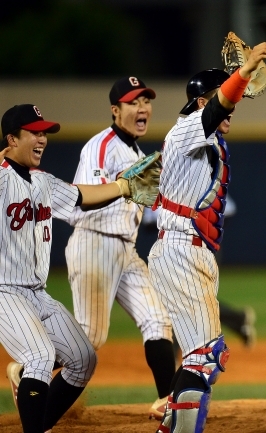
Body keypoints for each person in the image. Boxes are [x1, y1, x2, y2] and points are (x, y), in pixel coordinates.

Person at [0, 104, 146, 433]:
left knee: (83, 358)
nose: (42, 139)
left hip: (37, 294)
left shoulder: (42, 182)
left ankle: (42, 423)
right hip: (5, 292)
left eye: (44, 133)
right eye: (34, 133)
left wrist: (123, 187)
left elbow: (82, 195)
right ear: (12, 139)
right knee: (38, 357)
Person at [149, 41, 266, 433]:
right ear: (202, 101)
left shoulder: (207, 140)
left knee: (199, 356)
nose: (233, 109)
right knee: (205, 355)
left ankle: (171, 421)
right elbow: (219, 105)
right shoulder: (190, 127)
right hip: (181, 250)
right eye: (225, 100)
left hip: (190, 252)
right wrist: (245, 71)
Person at [60, 76, 175, 421]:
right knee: (90, 338)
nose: (142, 108)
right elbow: (85, 198)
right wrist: (125, 182)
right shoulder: (101, 145)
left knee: (158, 320)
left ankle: (168, 403)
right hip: (93, 242)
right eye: (133, 102)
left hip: (125, 249)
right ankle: (30, 369)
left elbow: (151, 202)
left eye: (146, 101)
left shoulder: (139, 154)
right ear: (115, 110)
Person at [142, 196, 257, 350]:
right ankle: (238, 320)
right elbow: (148, 222)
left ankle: (178, 351)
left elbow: (228, 210)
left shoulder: (200, 183)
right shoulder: (160, 188)